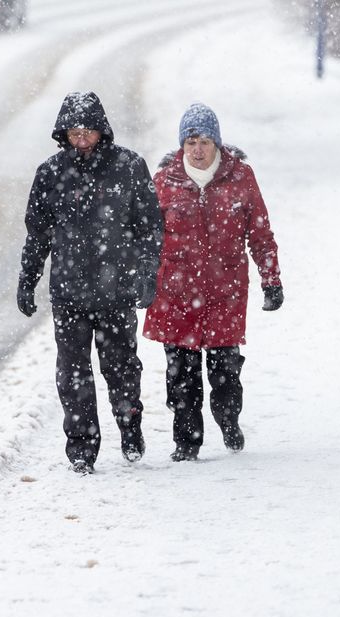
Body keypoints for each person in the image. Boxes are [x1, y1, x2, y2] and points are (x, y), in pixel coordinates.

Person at [17, 91, 163, 475]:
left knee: (122, 368)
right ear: (63, 134)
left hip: (116, 291)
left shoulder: (130, 167)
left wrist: (147, 274)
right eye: (74, 133)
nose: (81, 140)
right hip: (69, 293)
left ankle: (130, 425)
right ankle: (82, 447)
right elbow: (38, 234)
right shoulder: (50, 174)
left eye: (88, 132)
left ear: (102, 132)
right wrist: (28, 279)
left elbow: (149, 228)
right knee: (73, 373)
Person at [143, 103, 283, 462]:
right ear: (182, 146)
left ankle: (228, 419)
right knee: (181, 377)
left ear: (217, 143)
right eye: (191, 142)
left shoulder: (241, 178)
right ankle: (186, 441)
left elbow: (260, 233)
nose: (198, 150)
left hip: (225, 292)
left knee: (225, 375)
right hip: (175, 294)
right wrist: (140, 282)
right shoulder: (163, 182)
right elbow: (145, 239)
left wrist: (272, 279)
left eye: (205, 141)